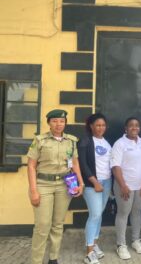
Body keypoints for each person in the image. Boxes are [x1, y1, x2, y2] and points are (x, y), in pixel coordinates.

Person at [26, 109, 84, 264]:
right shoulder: (40, 140)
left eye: (62, 121)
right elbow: (31, 166)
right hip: (43, 185)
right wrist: (33, 191)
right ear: (49, 123)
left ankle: (53, 258)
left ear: (65, 123)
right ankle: (36, 261)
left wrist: (81, 183)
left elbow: (75, 163)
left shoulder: (71, 141)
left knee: (58, 224)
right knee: (42, 226)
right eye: (55, 121)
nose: (59, 124)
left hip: (64, 186)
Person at [111, 117, 141, 260]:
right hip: (124, 186)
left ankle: (136, 240)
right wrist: (122, 185)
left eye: (137, 125)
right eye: (131, 125)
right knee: (123, 213)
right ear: (125, 128)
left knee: (137, 212)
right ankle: (121, 245)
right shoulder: (119, 144)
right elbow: (116, 167)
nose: (134, 128)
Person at [78, 113, 112, 264]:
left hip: (107, 181)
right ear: (91, 126)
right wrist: (94, 181)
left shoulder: (106, 142)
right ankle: (89, 252)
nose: (100, 128)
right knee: (95, 215)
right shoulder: (85, 141)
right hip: (92, 183)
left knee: (99, 214)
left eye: (103, 125)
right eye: (97, 125)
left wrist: (108, 183)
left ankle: (95, 244)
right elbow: (82, 164)